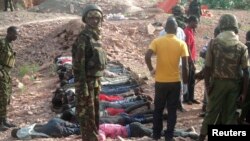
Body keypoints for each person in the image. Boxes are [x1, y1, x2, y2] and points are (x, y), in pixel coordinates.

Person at [198, 14, 249, 141]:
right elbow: (246, 72)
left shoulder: (213, 43)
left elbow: (208, 67)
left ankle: (201, 137)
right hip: (234, 86)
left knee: (211, 113)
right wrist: (243, 92)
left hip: (217, 83)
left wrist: (207, 86)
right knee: (230, 115)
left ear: (221, 25)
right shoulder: (242, 47)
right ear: (235, 26)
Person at [145, 17, 189, 141]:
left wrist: (151, 70)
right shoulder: (181, 43)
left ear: (165, 29)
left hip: (160, 82)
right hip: (175, 82)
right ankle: (169, 136)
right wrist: (185, 84)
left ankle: (156, 135)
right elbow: (185, 67)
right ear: (176, 30)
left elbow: (147, 56)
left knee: (158, 109)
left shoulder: (157, 41)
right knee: (172, 110)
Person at [71, 4, 107, 141]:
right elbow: (78, 65)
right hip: (86, 82)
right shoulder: (84, 38)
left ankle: (94, 136)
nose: (94, 21)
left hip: (95, 82)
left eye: (97, 18)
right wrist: (82, 87)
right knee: (87, 115)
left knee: (95, 113)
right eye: (91, 18)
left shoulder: (96, 37)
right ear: (85, 19)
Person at [195, 26, 221, 117]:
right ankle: (206, 109)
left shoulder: (222, 44)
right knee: (208, 90)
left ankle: (209, 110)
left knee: (210, 90)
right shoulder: (211, 43)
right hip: (211, 70)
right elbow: (202, 52)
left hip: (215, 72)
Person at [0, 26, 18, 131]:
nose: (16, 36)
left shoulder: (9, 45)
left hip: (6, 73)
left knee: (5, 97)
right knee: (1, 97)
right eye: (15, 34)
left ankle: (4, 120)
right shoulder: (1, 43)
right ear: (9, 33)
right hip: (1, 73)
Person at [11, 118, 80, 140]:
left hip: (51, 129)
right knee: (75, 125)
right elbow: (38, 124)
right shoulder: (26, 128)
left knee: (75, 131)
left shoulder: (21, 135)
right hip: (52, 122)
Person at [183, 15, 200, 105]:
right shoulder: (187, 32)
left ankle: (191, 97)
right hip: (189, 60)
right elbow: (187, 47)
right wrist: (192, 61)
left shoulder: (191, 31)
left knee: (192, 79)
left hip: (192, 58)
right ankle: (186, 98)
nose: (197, 24)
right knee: (188, 79)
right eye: (196, 22)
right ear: (191, 22)